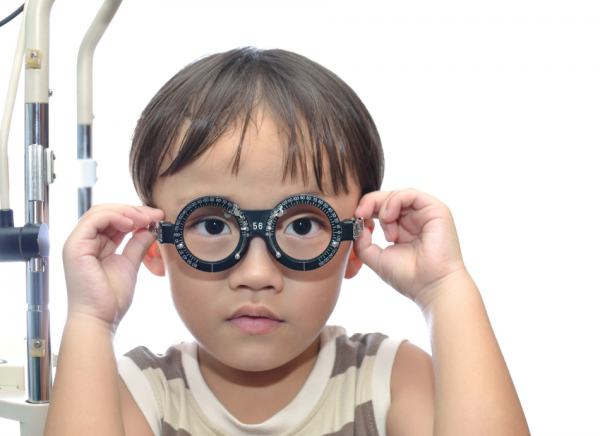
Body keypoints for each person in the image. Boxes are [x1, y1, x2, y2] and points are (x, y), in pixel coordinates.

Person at [43, 48, 530, 436]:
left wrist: (445, 289)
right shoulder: (135, 393)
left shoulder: (389, 381)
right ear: (154, 243)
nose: (257, 275)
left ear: (353, 243)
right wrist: (90, 319)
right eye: (213, 225)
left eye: (301, 226)